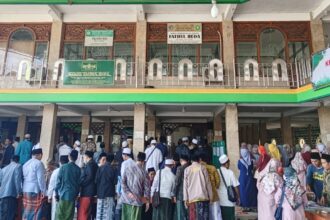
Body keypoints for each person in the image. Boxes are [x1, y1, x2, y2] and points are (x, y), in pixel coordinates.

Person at [121, 149, 150, 220]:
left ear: (137, 158)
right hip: (137, 201)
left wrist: (128, 193)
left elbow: (123, 183)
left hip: (126, 199)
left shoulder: (127, 168)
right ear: (144, 161)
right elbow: (147, 189)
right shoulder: (144, 173)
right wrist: (147, 201)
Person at [184, 151, 213, 220]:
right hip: (203, 198)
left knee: (194, 217)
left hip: (192, 199)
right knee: (204, 217)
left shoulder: (187, 170)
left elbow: (185, 186)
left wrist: (185, 199)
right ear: (199, 160)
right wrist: (211, 196)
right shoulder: (202, 168)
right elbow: (208, 183)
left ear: (191, 160)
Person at [22, 144, 46, 220]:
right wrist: (43, 191)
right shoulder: (39, 163)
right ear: (39, 155)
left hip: (25, 189)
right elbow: (40, 179)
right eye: (41, 155)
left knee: (27, 209)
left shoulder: (26, 164)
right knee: (36, 210)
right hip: (35, 190)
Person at [55, 150, 81, 220]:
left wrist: (56, 193)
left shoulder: (63, 167)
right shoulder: (78, 169)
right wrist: (76, 194)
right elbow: (79, 184)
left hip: (63, 194)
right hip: (72, 196)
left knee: (60, 215)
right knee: (69, 216)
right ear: (77, 157)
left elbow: (58, 182)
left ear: (69, 156)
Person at [199, 152, 221, 220]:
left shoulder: (198, 168)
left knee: (205, 213)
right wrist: (215, 187)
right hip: (213, 193)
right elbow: (218, 181)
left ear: (201, 159)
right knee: (216, 212)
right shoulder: (213, 168)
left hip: (202, 194)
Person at [95, 153, 117, 220]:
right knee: (108, 214)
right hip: (109, 194)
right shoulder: (113, 169)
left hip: (100, 193)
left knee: (100, 213)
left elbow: (96, 181)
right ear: (112, 161)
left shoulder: (100, 168)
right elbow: (115, 182)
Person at [0, 155, 22, 220]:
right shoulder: (18, 166)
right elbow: (17, 180)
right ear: (18, 161)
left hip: (2, 194)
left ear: (11, 160)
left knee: (3, 214)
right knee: (10, 214)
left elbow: (1, 181)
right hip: (11, 194)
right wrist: (19, 192)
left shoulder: (4, 169)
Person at [218, 154, 240, 220]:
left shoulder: (216, 171)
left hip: (220, 201)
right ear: (226, 163)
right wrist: (238, 197)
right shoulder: (230, 172)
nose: (229, 164)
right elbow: (236, 186)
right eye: (229, 162)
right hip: (230, 201)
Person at [78, 150, 98, 220]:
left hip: (87, 192)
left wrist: (82, 183)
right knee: (88, 213)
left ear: (87, 157)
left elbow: (90, 177)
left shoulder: (90, 164)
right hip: (92, 191)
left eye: (83, 157)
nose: (83, 159)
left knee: (84, 213)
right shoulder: (94, 164)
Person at [47, 155, 69, 220]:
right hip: (66, 195)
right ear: (68, 161)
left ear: (60, 162)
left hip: (56, 195)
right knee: (64, 213)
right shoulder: (69, 171)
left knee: (55, 212)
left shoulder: (56, 171)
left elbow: (51, 184)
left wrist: (49, 196)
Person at [174, 154, 190, 220]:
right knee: (188, 213)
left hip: (181, 195)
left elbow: (177, 182)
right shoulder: (190, 167)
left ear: (181, 160)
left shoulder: (180, 168)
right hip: (190, 195)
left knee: (181, 214)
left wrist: (174, 194)